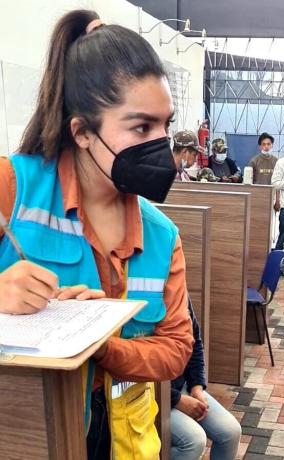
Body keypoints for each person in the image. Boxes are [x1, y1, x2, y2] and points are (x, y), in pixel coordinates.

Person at [0, 10, 194, 460]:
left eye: (165, 125)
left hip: (123, 433)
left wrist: (102, 344)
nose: (161, 145)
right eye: (141, 127)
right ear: (83, 133)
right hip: (26, 436)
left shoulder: (162, 234)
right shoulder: (13, 189)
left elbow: (175, 348)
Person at [171, 300, 241, 459]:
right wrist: (177, 400)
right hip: (154, 396)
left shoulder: (179, 291)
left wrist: (196, 388)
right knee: (194, 442)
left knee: (231, 432)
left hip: (182, 386)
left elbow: (194, 343)